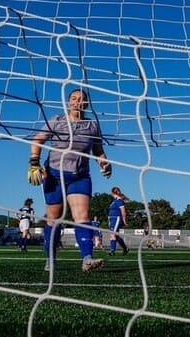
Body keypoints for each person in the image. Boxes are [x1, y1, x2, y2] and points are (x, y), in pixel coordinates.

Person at [27, 88, 111, 272]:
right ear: (68, 102)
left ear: (86, 104)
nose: (76, 101)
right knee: (54, 219)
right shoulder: (57, 121)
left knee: (82, 216)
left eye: (81, 99)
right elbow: (37, 140)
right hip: (55, 176)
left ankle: (87, 258)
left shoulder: (92, 126)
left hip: (80, 177)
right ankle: (50, 259)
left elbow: (98, 150)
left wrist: (104, 162)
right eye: (73, 98)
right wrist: (34, 163)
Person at [108, 186, 129, 256]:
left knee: (112, 234)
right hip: (111, 219)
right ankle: (125, 248)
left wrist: (124, 220)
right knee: (115, 236)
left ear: (113, 192)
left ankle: (112, 251)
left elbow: (123, 211)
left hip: (116, 219)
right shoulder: (114, 201)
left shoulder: (119, 200)